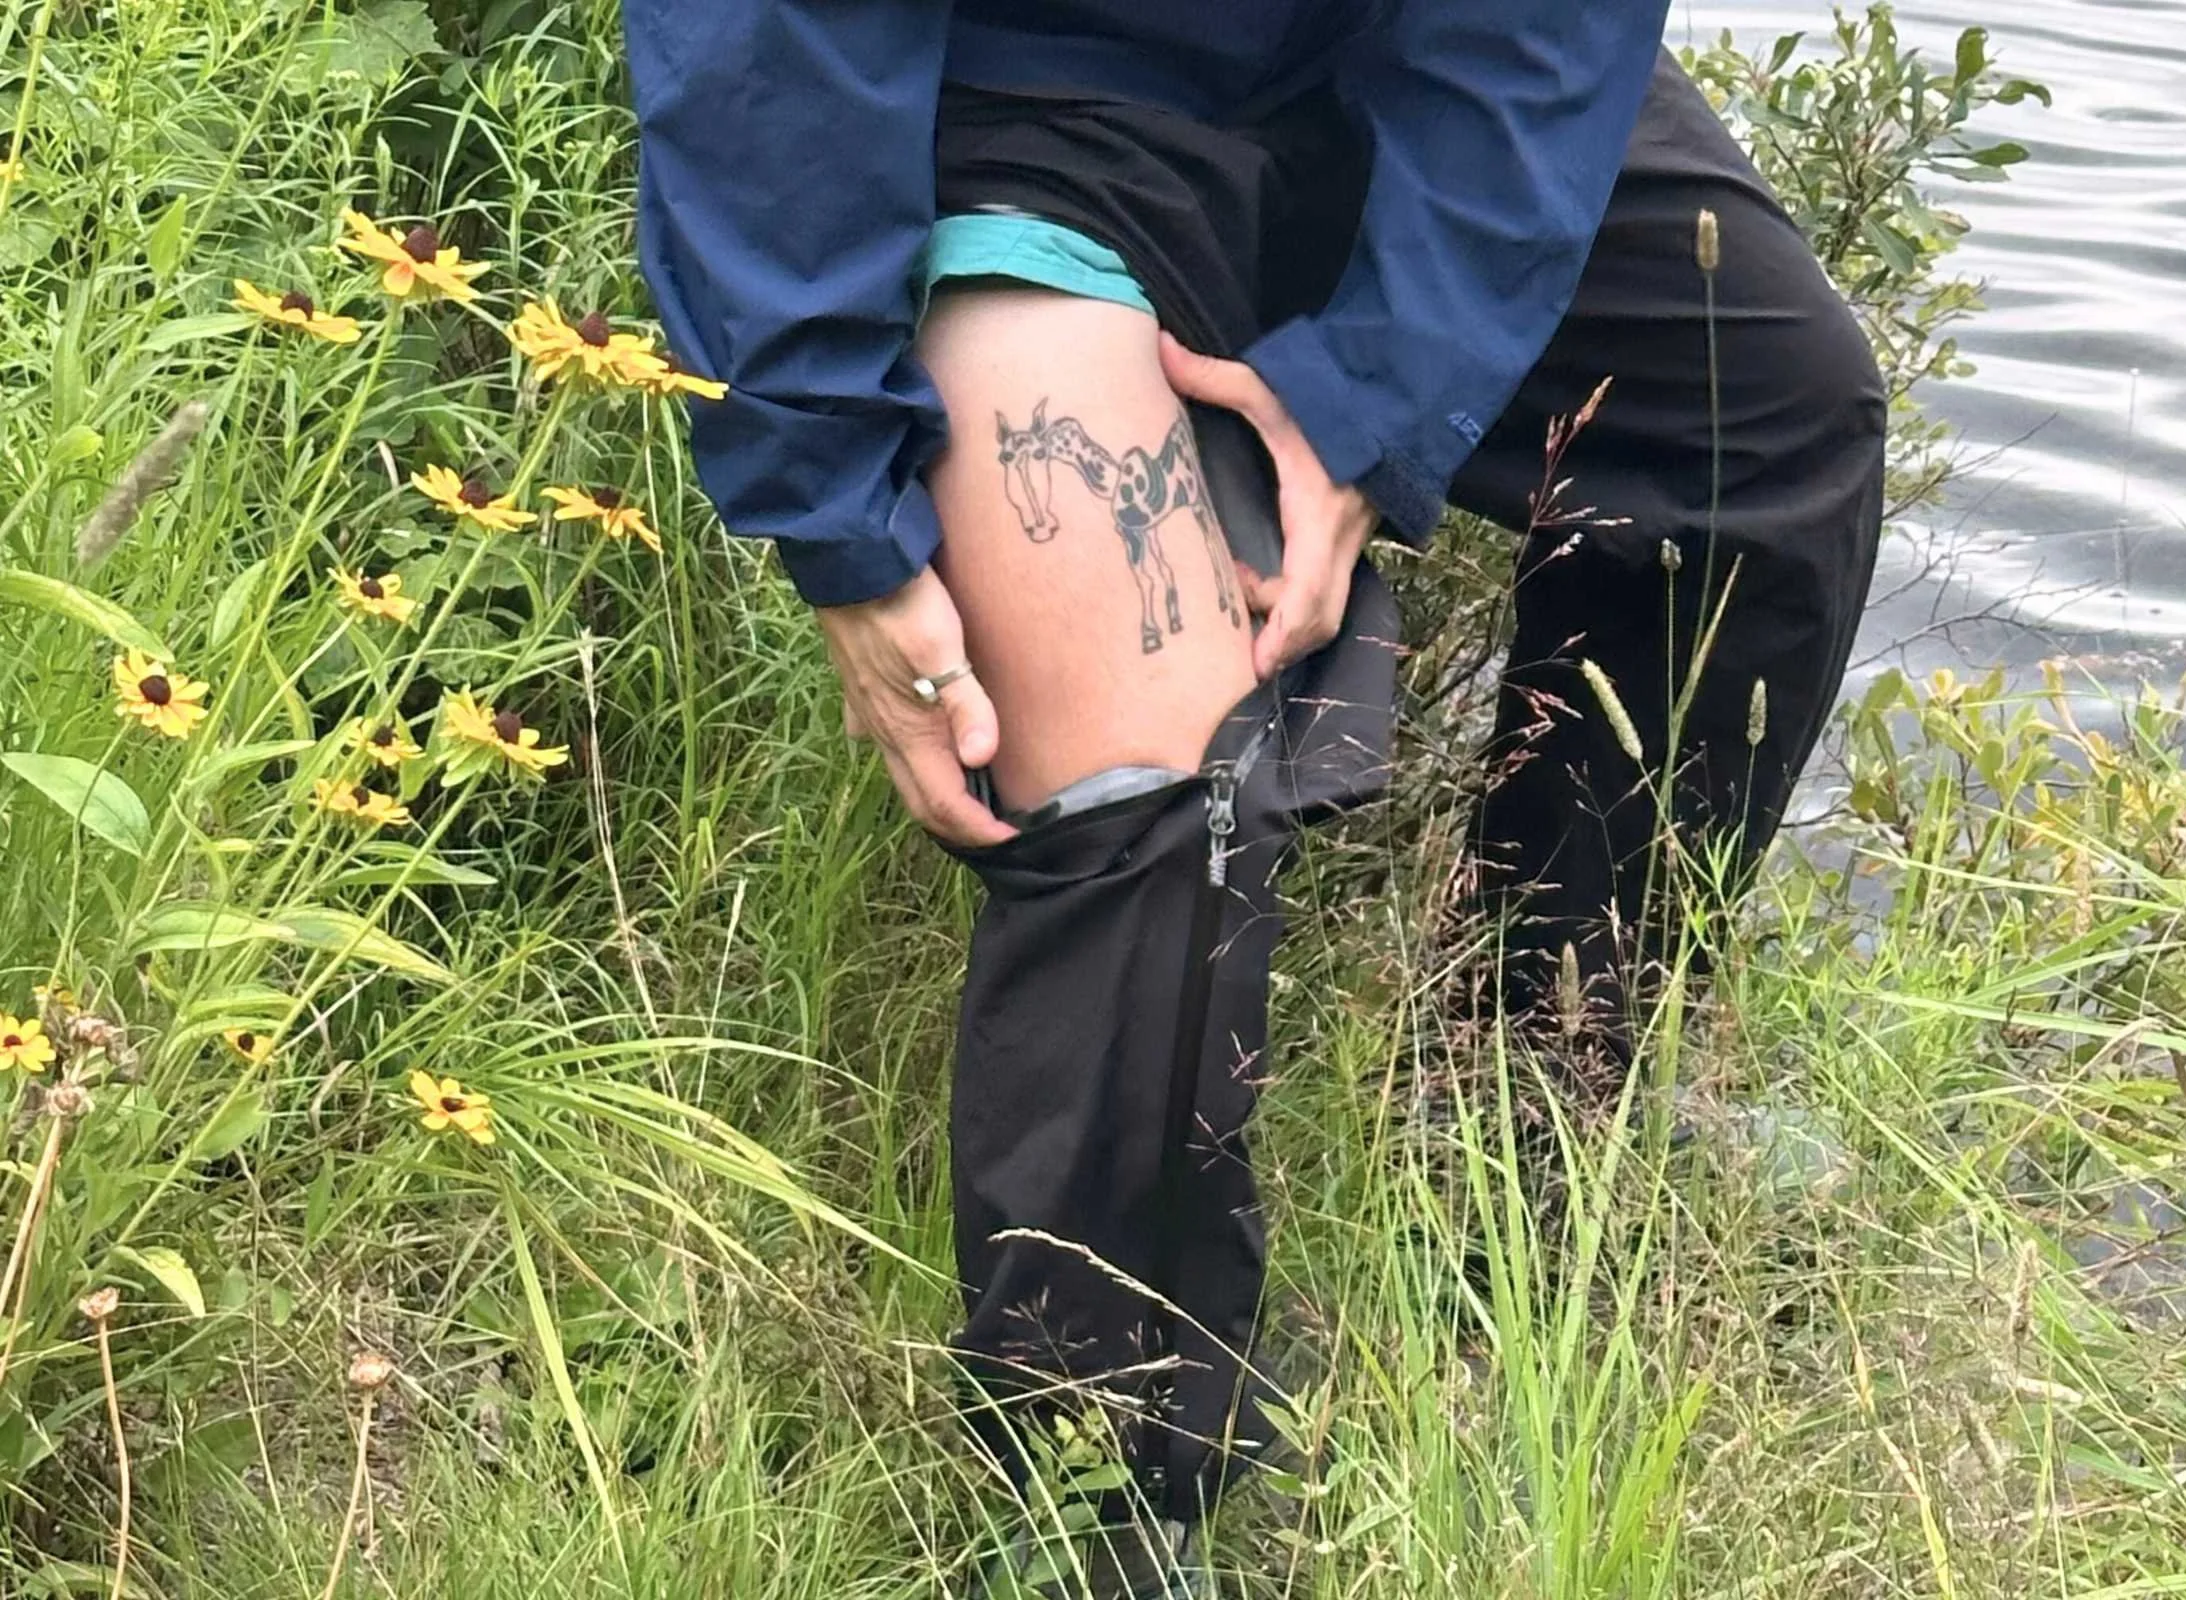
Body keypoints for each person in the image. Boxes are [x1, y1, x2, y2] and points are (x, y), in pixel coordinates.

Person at [621, 3, 1885, 1593]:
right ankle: (1094, 1508)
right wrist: (832, 500)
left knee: (1762, 423)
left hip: (1367, 53)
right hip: (1028, 80)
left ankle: (1524, 1144)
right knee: (1151, 775)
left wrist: (1377, 390)